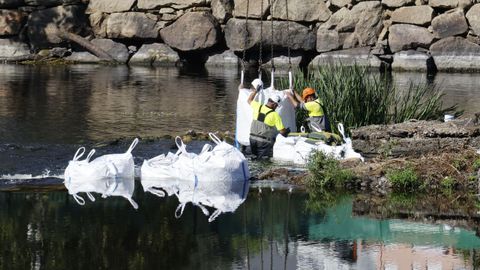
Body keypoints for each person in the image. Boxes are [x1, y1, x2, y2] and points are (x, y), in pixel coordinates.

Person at [246, 78, 290, 159]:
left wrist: (255, 91)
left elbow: (249, 100)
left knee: (254, 159)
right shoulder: (274, 115)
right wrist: (287, 131)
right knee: (263, 162)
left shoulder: (258, 106)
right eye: (276, 105)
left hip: (252, 139)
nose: (276, 107)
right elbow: (282, 132)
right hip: (264, 142)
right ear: (274, 104)